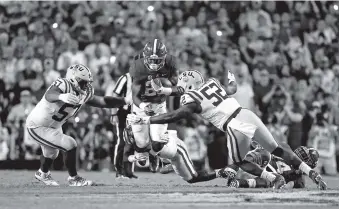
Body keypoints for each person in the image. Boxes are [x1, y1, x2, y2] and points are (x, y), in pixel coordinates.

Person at [127, 70, 327, 190]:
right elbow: (232, 88)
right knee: (277, 149)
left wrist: (148, 119)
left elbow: (174, 116)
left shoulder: (192, 100)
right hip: (247, 113)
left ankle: (274, 178)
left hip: (234, 124)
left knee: (240, 161)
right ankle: (311, 173)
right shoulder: (213, 83)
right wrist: (232, 79)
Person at [25, 64, 129, 186]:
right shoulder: (63, 84)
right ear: (73, 79)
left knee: (52, 154)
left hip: (54, 126)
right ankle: (74, 178)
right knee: (70, 144)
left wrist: (125, 101)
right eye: (83, 82)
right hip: (37, 125)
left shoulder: (85, 92)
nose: (86, 85)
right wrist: (61, 96)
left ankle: (42, 173)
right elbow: (49, 95)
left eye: (87, 82)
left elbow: (102, 101)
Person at [129, 39, 182, 172]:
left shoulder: (171, 63)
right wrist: (143, 107)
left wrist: (164, 86)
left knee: (158, 140)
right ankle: (134, 139)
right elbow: (134, 95)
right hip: (141, 105)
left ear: (164, 58)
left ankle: (153, 155)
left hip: (159, 105)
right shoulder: (137, 67)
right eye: (151, 60)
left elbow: (179, 88)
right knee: (141, 144)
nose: (153, 64)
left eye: (157, 60)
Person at [228, 143, 319, 189]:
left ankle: (239, 182)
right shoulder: (286, 152)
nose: (299, 153)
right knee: (265, 155)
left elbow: (285, 186)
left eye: (304, 156)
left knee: (275, 179)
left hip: (263, 177)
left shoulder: (299, 179)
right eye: (301, 152)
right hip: (256, 166)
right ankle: (234, 169)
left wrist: (283, 182)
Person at [109, 72, 137, 178]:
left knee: (133, 142)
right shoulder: (126, 78)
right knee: (122, 141)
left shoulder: (146, 77)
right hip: (124, 113)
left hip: (138, 114)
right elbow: (115, 95)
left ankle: (128, 171)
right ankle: (119, 170)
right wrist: (113, 113)